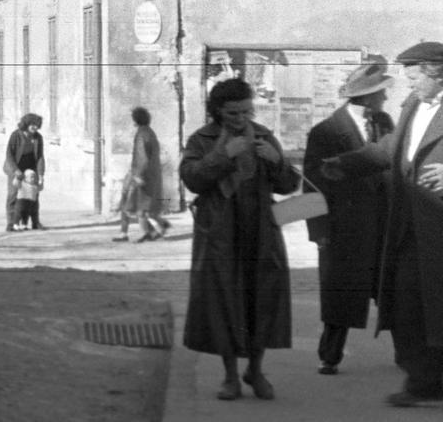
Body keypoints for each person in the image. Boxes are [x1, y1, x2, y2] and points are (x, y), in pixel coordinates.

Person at [321, 41, 443, 407]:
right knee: (407, 304)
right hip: (407, 224)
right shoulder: (413, 106)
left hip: (438, 226)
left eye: (415, 78)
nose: (409, 86)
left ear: (436, 73)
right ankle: (422, 382)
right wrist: (346, 163)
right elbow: (390, 148)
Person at [180, 77, 299, 402]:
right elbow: (192, 179)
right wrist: (223, 155)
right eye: (233, 113)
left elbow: (289, 186)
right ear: (218, 111)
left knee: (263, 298)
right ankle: (231, 376)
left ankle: (255, 370)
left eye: (246, 110)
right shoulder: (201, 139)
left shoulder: (262, 135)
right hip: (219, 233)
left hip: (261, 230)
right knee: (224, 301)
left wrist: (277, 161)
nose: (241, 118)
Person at [301, 57, 394, 375]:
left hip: (382, 225)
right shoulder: (325, 132)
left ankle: (407, 354)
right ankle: (330, 355)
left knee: (390, 292)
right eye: (381, 92)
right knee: (341, 293)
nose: (385, 97)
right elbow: (311, 186)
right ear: (367, 96)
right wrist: (319, 232)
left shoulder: (385, 124)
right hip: (344, 230)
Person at [114, 106, 171, 243]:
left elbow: (142, 157)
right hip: (149, 173)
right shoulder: (150, 132)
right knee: (139, 206)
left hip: (141, 174)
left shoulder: (142, 134)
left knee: (133, 205)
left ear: (136, 120)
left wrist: (137, 175)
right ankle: (152, 229)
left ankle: (150, 230)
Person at [3, 113, 46, 232]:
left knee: (34, 196)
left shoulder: (38, 137)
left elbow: (40, 157)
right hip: (15, 166)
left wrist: (41, 175)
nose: (35, 128)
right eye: (33, 125)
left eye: (37, 126)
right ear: (26, 124)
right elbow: (9, 155)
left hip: (30, 167)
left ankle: (35, 222)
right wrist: (16, 171)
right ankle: (11, 223)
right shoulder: (16, 135)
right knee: (13, 194)